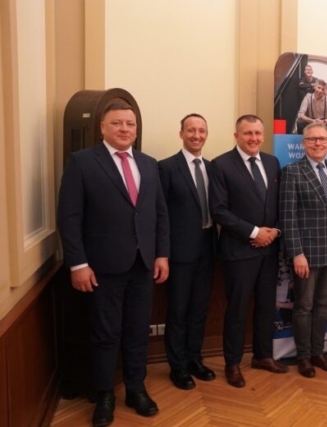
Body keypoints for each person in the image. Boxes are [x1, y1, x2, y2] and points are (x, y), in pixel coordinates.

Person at [57, 102, 170, 426]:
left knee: (137, 332)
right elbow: (69, 217)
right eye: (117, 123)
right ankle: (104, 394)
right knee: (105, 334)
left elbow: (159, 214)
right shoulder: (82, 162)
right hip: (102, 268)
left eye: (130, 124)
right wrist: (77, 264)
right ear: (102, 128)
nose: (124, 129)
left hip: (142, 266)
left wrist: (161, 254)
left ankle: (136, 389)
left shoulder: (149, 164)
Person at [209, 115, 288, 388]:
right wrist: (255, 232)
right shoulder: (221, 164)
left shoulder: (272, 162)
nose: (253, 138)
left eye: (257, 133)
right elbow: (219, 210)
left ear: (263, 136)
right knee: (237, 309)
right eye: (247, 133)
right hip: (239, 252)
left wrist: (274, 231)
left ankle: (262, 356)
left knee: (266, 306)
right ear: (236, 136)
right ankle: (232, 363)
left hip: (269, 250)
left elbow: (279, 204)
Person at [158, 114, 217, 391]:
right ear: (181, 133)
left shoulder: (212, 168)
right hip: (179, 253)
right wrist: (162, 253)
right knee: (178, 311)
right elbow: (160, 214)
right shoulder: (166, 167)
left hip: (208, 247)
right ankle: (178, 366)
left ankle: (194, 358)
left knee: (199, 309)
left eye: (201, 130)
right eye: (191, 130)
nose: (197, 135)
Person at [280, 123, 327, 378]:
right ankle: (304, 357)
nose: (318, 143)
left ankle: (318, 353)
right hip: (306, 254)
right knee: (304, 306)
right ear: (304, 143)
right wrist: (296, 253)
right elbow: (288, 217)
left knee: (323, 305)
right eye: (313, 139)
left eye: (323, 139)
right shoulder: (292, 172)